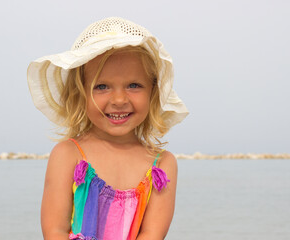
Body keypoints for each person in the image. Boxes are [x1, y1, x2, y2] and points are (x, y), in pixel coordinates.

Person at [27, 17, 189, 240]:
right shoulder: (68, 155)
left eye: (134, 85)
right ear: (80, 93)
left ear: (153, 92)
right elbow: (54, 231)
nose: (119, 99)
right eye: (101, 86)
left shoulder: (161, 165)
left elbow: (152, 233)